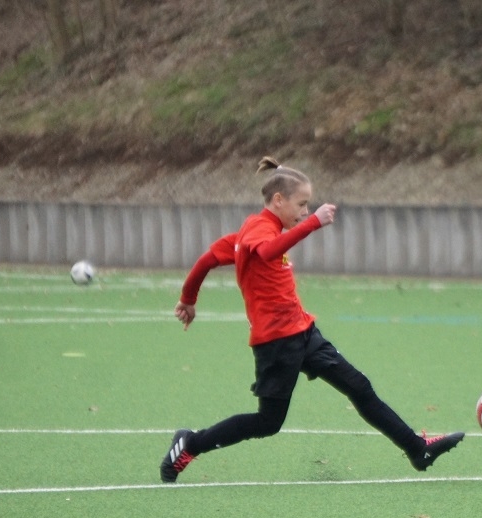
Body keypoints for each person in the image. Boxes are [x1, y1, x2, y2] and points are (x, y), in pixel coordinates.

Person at [161, 156, 464, 483]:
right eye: (302, 204)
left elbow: (207, 259)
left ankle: (417, 449)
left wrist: (188, 299)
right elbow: (266, 251)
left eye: (308, 206)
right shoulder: (259, 229)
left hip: (303, 332)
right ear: (278, 200)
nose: (306, 211)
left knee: (359, 386)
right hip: (276, 342)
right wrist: (313, 224)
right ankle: (191, 444)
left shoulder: (257, 231)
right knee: (268, 422)